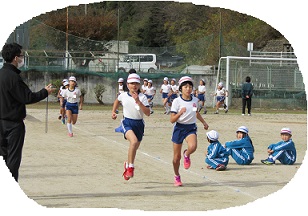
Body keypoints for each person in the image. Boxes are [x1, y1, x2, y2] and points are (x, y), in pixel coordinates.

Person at [0, 43, 54, 182]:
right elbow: (27, 97)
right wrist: (45, 92)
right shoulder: (13, 77)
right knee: (12, 159)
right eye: (21, 56)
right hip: (13, 125)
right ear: (15, 58)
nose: (22, 59)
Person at [170, 76, 209, 186]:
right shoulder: (177, 101)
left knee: (193, 146)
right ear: (181, 88)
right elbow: (172, 120)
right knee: (176, 158)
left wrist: (204, 122)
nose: (188, 89)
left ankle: (186, 154)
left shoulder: (195, 100)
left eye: (190, 87)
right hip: (179, 128)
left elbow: (195, 112)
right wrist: (179, 113)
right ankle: (177, 176)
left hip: (190, 128)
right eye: (185, 87)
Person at [111, 73, 150, 181]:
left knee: (135, 147)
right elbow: (117, 101)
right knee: (133, 141)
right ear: (127, 85)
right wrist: (114, 111)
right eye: (132, 83)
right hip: (127, 122)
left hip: (139, 124)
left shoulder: (143, 97)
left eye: (137, 83)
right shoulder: (123, 95)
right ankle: (131, 168)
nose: (134, 86)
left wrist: (138, 101)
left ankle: (127, 164)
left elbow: (147, 113)